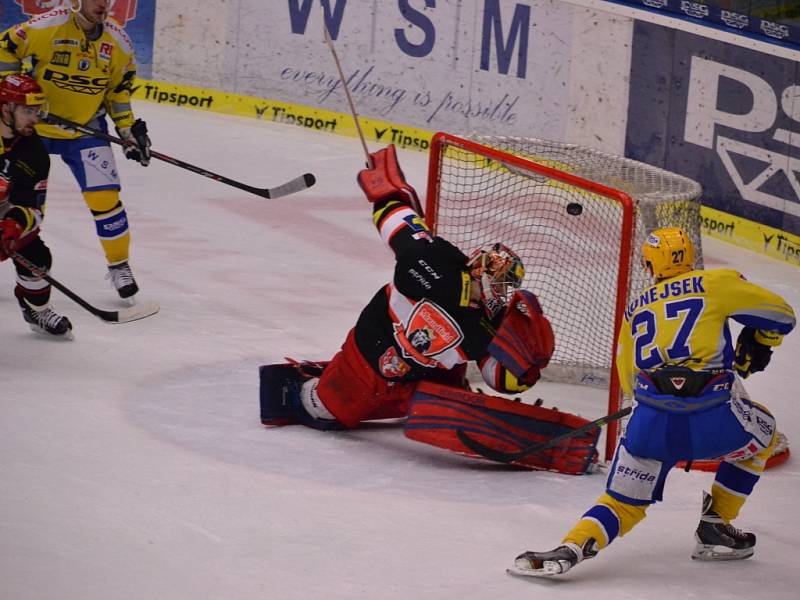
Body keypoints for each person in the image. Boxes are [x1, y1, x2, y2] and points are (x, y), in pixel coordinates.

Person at [259, 145, 581, 468]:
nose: (503, 292)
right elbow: (399, 222)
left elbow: (498, 375)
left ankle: (424, 393)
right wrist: (384, 192)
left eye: (507, 287)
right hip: (369, 356)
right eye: (501, 282)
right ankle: (308, 386)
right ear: (481, 270)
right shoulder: (434, 260)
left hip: (426, 377)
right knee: (323, 409)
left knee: (436, 391)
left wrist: (527, 367)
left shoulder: (487, 323)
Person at [512, 227, 796, 576]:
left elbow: (627, 377)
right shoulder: (717, 281)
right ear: (690, 255)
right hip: (716, 424)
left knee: (622, 503)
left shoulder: (634, 310)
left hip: (650, 426)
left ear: (649, 264)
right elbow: (783, 314)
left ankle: (571, 546)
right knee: (762, 435)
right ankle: (716, 525)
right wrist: (762, 338)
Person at [0, 0, 152, 302]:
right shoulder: (46, 27)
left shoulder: (118, 42)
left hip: (85, 130)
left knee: (105, 199)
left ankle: (119, 265)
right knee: (22, 207)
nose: (103, 4)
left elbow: (118, 90)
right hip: (34, 129)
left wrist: (126, 129)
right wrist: (12, 89)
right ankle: (29, 281)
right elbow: (5, 47)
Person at [0, 73, 73, 338]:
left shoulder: (35, 154)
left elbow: (33, 208)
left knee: (37, 259)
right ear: (7, 107)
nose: (35, 118)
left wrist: (13, 225)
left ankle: (36, 310)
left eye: (37, 110)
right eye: (28, 110)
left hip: (2, 212)